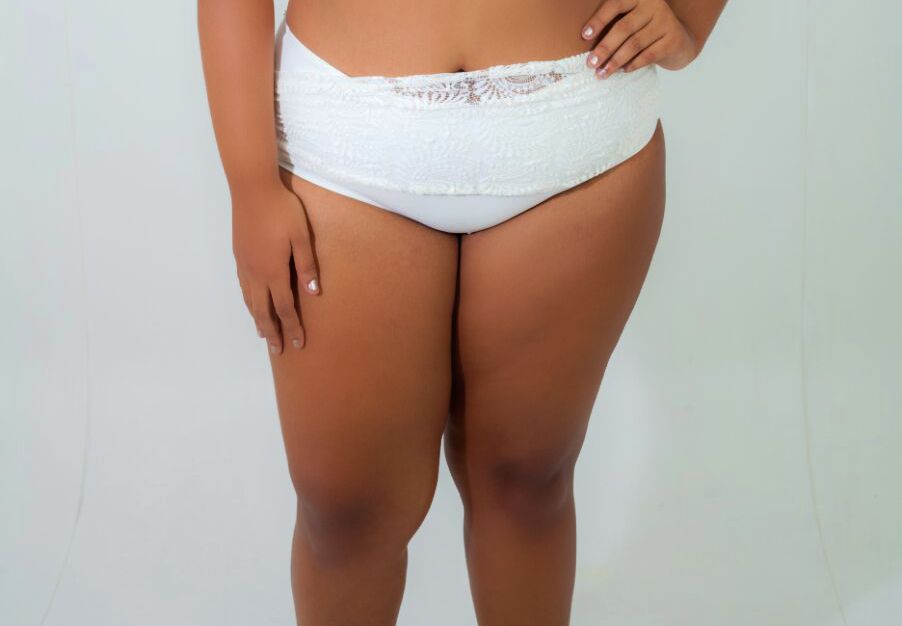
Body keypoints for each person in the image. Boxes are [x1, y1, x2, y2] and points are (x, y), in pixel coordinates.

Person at [197, 1, 727, 624]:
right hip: (344, 141)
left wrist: (691, 20)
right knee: (346, 512)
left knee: (527, 484)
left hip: (577, 121)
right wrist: (251, 186)